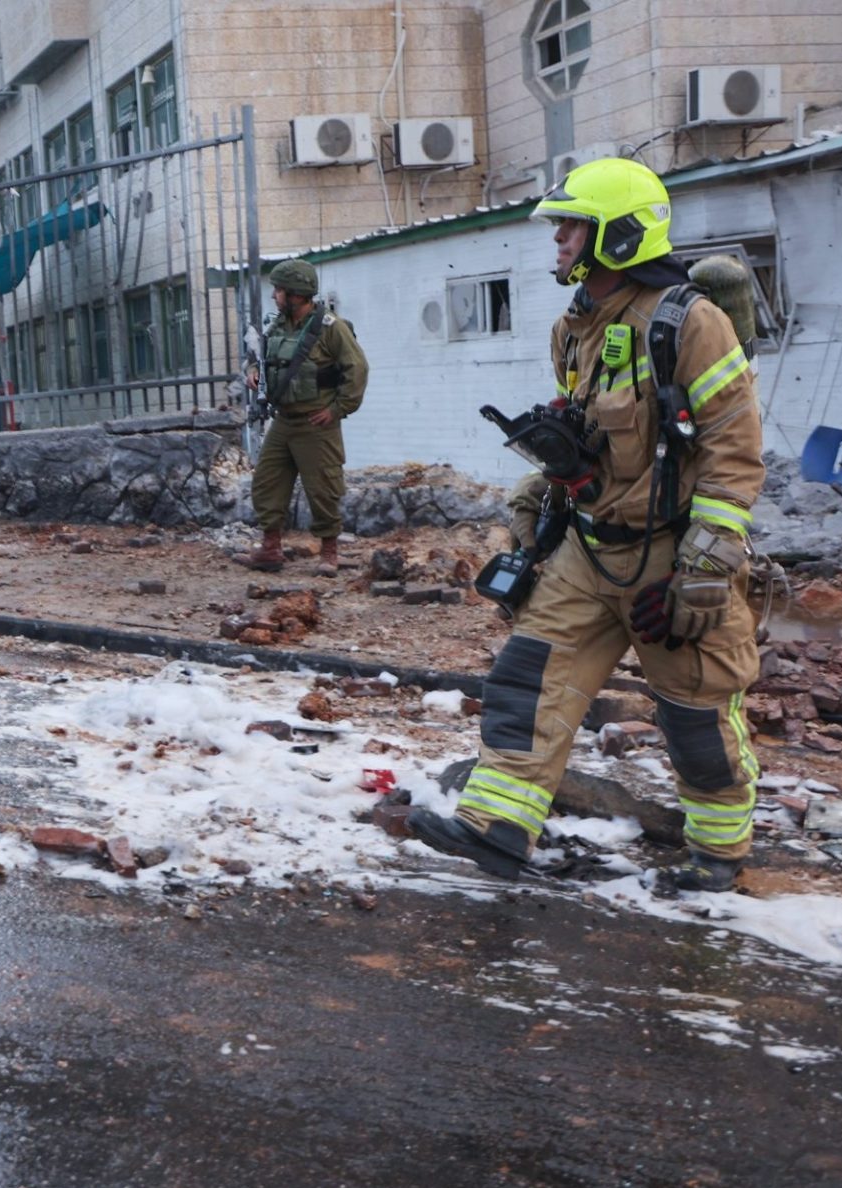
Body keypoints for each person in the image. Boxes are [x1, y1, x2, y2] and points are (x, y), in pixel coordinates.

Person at [411, 157, 764, 893]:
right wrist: (539, 502)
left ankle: (718, 853)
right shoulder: (574, 327)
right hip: (588, 548)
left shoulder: (690, 324)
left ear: (619, 235)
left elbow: (733, 453)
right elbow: (589, 435)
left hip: (669, 556)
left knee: (695, 716)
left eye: (573, 226)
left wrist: (705, 569)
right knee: (528, 681)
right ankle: (496, 825)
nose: (559, 239)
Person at [236, 258, 369, 572]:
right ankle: (270, 548)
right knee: (267, 482)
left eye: (279, 290)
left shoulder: (331, 327)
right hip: (283, 420)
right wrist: (253, 371)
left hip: (315, 423)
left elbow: (357, 369)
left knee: (323, 488)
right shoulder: (277, 325)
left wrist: (337, 409)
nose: (274, 296)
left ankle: (329, 553)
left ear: (296, 293)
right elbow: (261, 357)